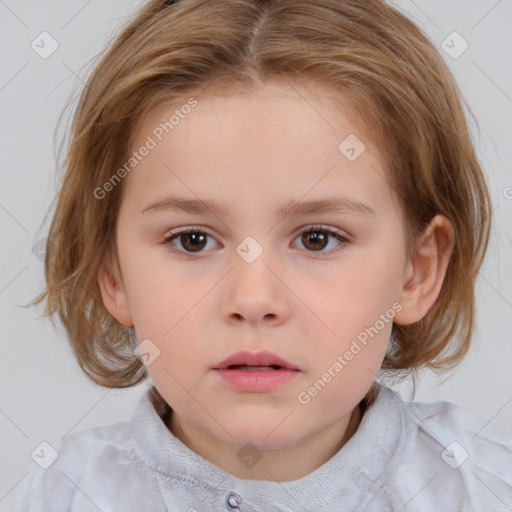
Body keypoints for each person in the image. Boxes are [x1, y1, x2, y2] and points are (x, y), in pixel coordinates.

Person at [3, 0, 511, 510]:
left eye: (317, 238)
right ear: (111, 272)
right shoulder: (59, 497)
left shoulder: (484, 490)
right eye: (192, 240)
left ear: (416, 272)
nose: (253, 299)